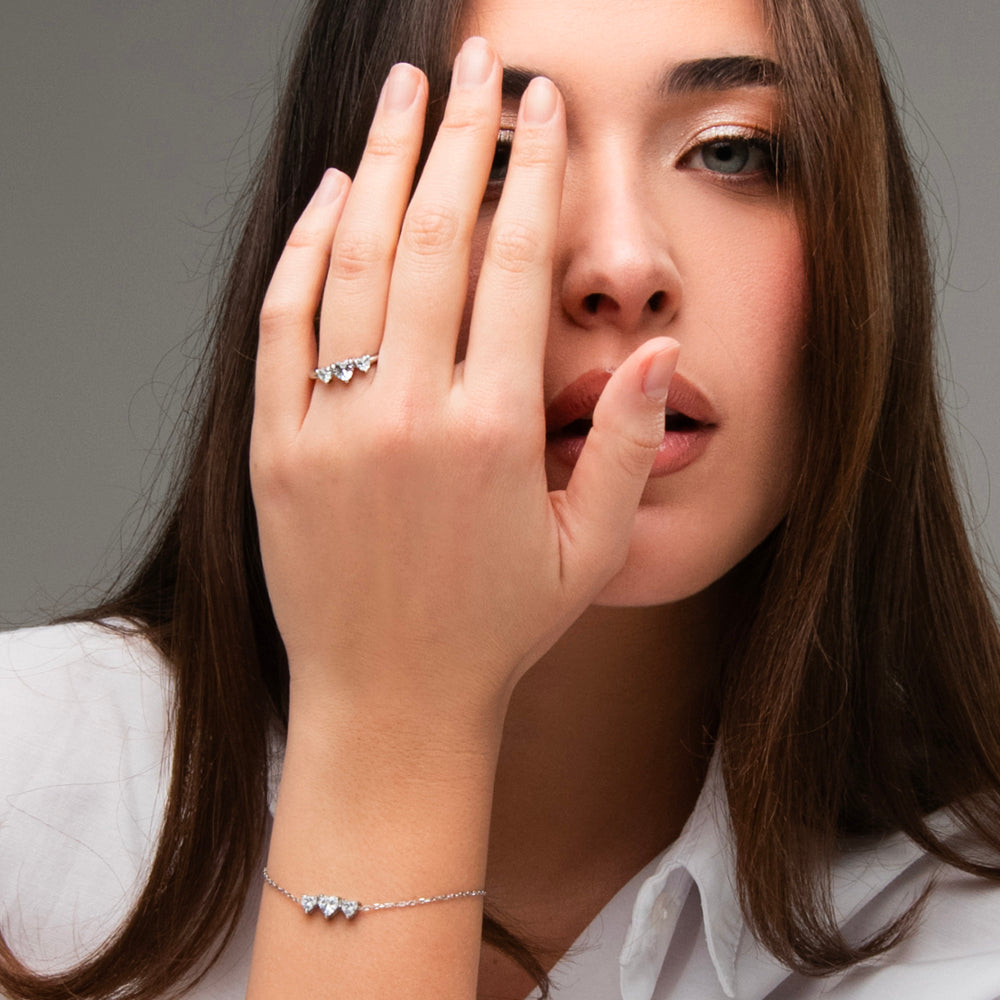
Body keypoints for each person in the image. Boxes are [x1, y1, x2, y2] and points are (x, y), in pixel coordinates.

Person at [2, 0, 999, 997]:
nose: (621, 268)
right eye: (493, 159)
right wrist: (393, 707)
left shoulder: (963, 921)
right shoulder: (30, 781)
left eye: (732, 154)